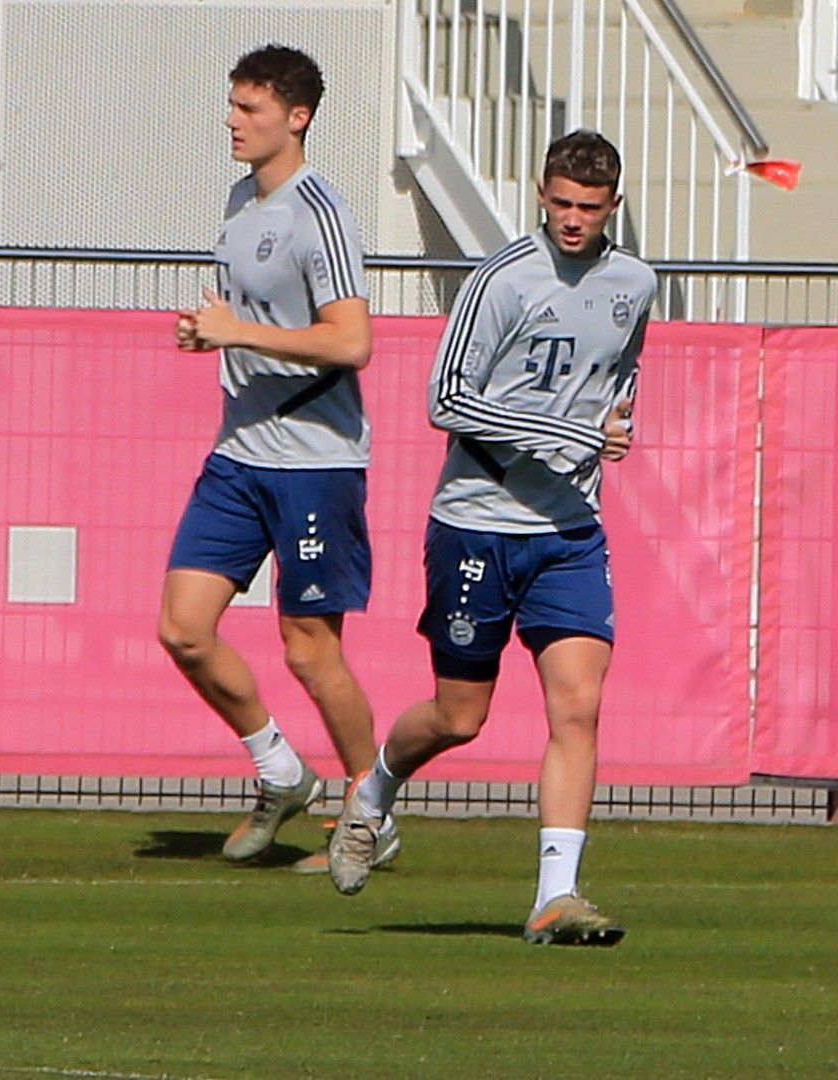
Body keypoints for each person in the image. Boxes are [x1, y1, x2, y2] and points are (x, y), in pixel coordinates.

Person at [327, 130, 652, 947]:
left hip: (571, 531)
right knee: (458, 715)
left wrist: (614, 427)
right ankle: (372, 794)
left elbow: (620, 380)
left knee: (579, 707)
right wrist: (558, 431)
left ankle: (555, 896)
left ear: (614, 206)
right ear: (542, 197)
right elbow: (447, 399)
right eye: (561, 203)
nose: (573, 220)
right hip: (477, 523)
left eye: (589, 206)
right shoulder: (501, 280)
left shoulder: (635, 284)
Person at [165, 45, 394, 870]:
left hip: (315, 462)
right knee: (183, 629)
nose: (233, 120)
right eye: (233, 104)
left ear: (296, 118)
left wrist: (237, 332)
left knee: (309, 648)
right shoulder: (239, 200)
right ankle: (280, 768)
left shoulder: (319, 213)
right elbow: (252, 321)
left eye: (251, 109)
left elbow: (352, 340)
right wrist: (210, 336)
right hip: (239, 454)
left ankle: (370, 808)